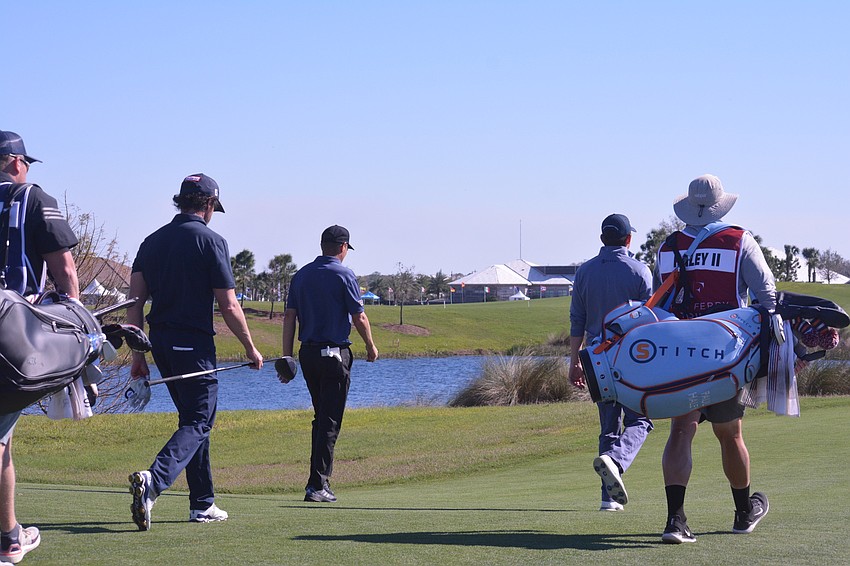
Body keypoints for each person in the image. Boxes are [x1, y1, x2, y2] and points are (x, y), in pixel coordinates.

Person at [126, 173, 263, 531]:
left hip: (160, 344)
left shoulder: (150, 241)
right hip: (193, 343)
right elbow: (229, 305)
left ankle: (202, 503)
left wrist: (138, 356)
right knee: (200, 420)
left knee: (193, 420)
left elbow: (134, 305)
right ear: (207, 204)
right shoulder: (211, 240)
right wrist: (250, 347)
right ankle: (153, 482)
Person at [656, 174, 775, 544]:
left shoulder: (668, 245)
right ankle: (743, 512)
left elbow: (659, 302)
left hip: (680, 353)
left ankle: (676, 520)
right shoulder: (739, 240)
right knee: (730, 434)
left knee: (680, 430)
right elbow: (767, 296)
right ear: (721, 204)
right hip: (725, 354)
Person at [0, 130, 80, 563]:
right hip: (10, 331)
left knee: (3, 436)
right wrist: (82, 325)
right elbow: (64, 267)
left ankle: (11, 535)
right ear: (16, 162)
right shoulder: (30, 195)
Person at [280, 225, 378, 502]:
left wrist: (287, 356)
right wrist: (371, 346)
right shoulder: (344, 274)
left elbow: (289, 317)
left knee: (321, 417)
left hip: (308, 354)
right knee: (330, 420)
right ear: (343, 247)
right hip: (335, 355)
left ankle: (317, 481)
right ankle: (318, 485)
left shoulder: (301, 275)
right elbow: (359, 316)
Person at [570, 213, 654, 512]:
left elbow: (577, 320)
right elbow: (650, 322)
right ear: (628, 238)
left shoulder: (585, 272)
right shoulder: (639, 271)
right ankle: (616, 462)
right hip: (631, 359)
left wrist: (573, 362)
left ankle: (608, 497)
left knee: (609, 426)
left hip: (595, 358)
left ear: (602, 238)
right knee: (640, 420)